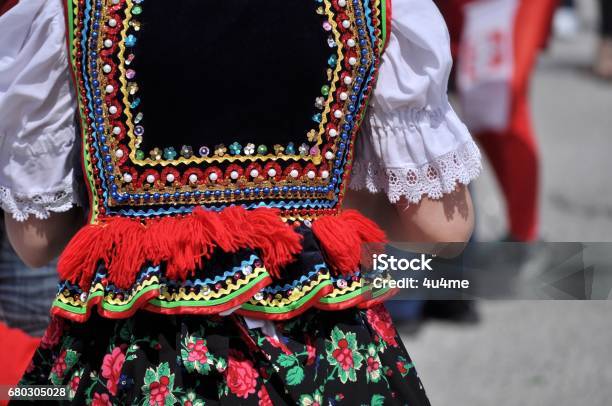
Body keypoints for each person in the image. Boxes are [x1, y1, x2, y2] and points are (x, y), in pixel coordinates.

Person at [1, 0, 481, 404]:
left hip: (138, 363)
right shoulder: (370, 8)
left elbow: (36, 242)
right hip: (319, 354)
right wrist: (321, 211)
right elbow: (442, 228)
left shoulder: (72, 10)